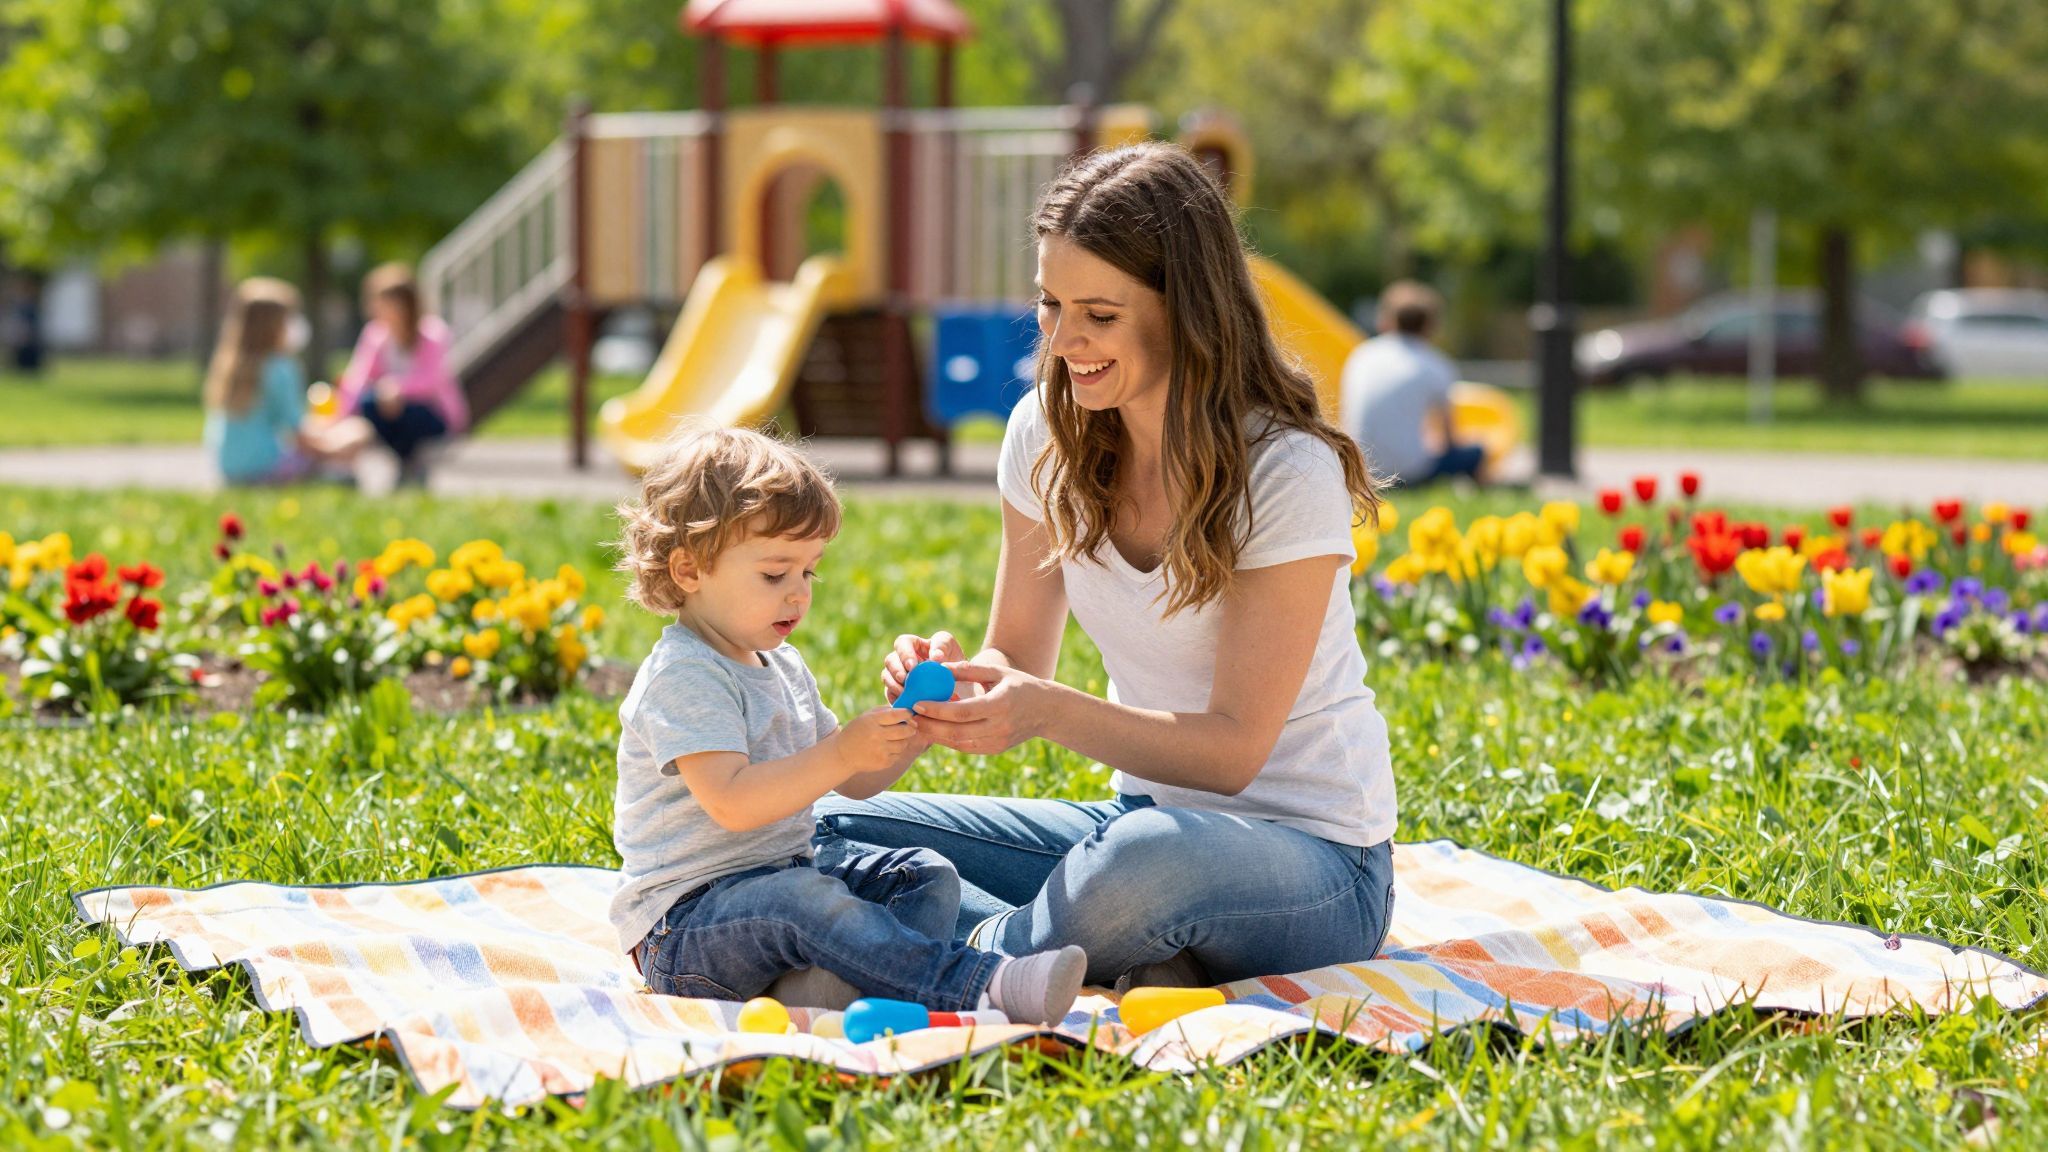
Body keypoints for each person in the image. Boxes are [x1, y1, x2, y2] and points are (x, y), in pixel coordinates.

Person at [813, 141, 1397, 992]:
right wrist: (954, 682)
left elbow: (1233, 751)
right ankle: (1123, 951)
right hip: (1143, 821)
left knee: (1137, 861)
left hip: (1319, 863)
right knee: (823, 820)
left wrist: (1047, 712)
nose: (1063, 339)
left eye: (1099, 314)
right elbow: (1018, 651)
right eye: (1050, 304)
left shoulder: (1284, 470)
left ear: (1186, 310)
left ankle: (945, 961)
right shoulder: (1042, 437)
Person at [609, 423, 1086, 1023]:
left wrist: (910, 724)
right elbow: (732, 803)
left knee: (924, 876)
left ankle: (830, 988)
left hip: (784, 884)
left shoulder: (782, 664)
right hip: (685, 928)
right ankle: (978, 986)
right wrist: (839, 753)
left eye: (808, 572)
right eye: (775, 574)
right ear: (688, 570)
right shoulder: (685, 675)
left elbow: (855, 782)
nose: (798, 594)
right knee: (802, 899)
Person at [202, 278, 368, 487]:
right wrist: (334, 450)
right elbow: (298, 434)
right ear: (274, 325)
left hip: (230, 470)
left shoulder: (229, 366)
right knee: (356, 431)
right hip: (267, 468)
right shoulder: (279, 367)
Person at [330, 263, 468, 487]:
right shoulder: (376, 335)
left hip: (432, 413)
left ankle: (410, 466)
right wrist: (341, 415)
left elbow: (433, 379)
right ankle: (405, 466)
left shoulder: (432, 333)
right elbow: (359, 377)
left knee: (402, 410)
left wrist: (397, 389)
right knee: (369, 404)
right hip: (391, 408)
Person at [1339, 280, 1484, 486]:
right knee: (1476, 451)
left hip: (1358, 468)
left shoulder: (1361, 355)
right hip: (1407, 474)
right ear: (1430, 325)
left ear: (1387, 319)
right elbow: (1449, 440)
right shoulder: (1436, 365)